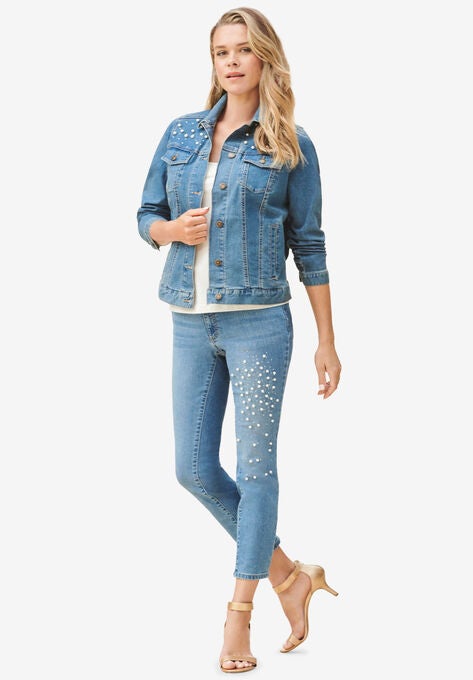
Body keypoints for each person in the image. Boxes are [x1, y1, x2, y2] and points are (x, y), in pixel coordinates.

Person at [137, 6, 342, 674]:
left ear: (264, 59)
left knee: (255, 472)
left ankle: (238, 616)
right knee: (192, 469)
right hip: (189, 321)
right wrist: (172, 232)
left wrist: (327, 341)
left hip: (259, 324)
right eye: (221, 51)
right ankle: (289, 574)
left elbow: (309, 245)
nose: (231, 61)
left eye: (243, 50)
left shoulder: (291, 145)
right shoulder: (181, 133)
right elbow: (145, 214)